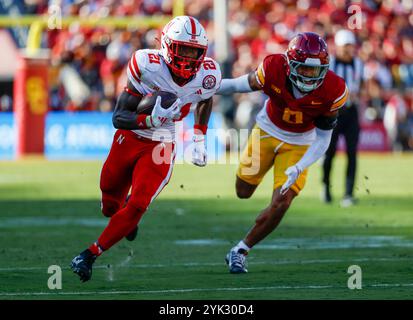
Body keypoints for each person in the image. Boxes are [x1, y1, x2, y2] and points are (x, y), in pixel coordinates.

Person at [70, 16, 222, 282]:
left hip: (163, 141)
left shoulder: (209, 74)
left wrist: (199, 137)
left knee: (139, 203)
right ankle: (125, 217)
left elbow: (205, 100)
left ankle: (89, 254)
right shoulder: (147, 65)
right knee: (109, 203)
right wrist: (149, 119)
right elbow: (119, 116)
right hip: (130, 135)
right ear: (166, 45)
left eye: (194, 51)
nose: (188, 57)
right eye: (183, 49)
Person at [217, 32, 348, 273]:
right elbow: (239, 84)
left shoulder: (334, 88)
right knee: (243, 191)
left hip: (301, 144)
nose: (310, 75)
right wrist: (208, 88)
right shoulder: (273, 67)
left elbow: (323, 139)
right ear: (290, 64)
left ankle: (241, 250)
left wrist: (301, 166)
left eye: (315, 70)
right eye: (304, 69)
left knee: (282, 201)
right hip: (266, 132)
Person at [322, 29, 363, 207]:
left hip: (351, 112)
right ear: (337, 47)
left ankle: (348, 193)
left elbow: (361, 87)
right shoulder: (330, 64)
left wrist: (358, 96)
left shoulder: (359, 63)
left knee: (352, 153)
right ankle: (326, 186)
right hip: (333, 112)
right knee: (329, 152)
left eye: (350, 46)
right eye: (345, 46)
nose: (348, 50)